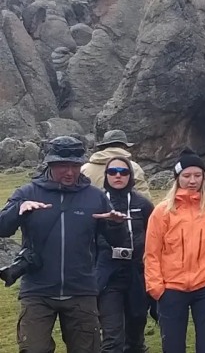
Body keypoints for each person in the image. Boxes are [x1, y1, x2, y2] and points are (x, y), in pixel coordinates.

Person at [0, 136, 129, 353]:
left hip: (81, 290)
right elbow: (2, 228)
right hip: (38, 291)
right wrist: (18, 210)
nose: (69, 172)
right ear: (50, 164)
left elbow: (118, 242)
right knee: (33, 349)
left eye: (75, 166)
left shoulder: (95, 197)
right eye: (62, 166)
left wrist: (115, 225)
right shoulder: (27, 193)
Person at [144, 148, 205, 353]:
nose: (192, 180)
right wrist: (156, 288)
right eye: (186, 176)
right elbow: (152, 253)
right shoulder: (162, 211)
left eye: (197, 175)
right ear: (177, 178)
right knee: (173, 347)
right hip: (171, 289)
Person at [96, 157, 154, 353]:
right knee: (112, 337)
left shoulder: (143, 204)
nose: (118, 176)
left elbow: (154, 236)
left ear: (130, 175)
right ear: (106, 176)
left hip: (137, 273)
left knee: (136, 334)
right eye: (112, 172)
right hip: (108, 276)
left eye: (123, 171)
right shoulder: (97, 202)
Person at [82, 130, 150, 196]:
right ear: (124, 146)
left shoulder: (85, 168)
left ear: (104, 146)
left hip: (93, 207)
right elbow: (144, 196)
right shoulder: (134, 167)